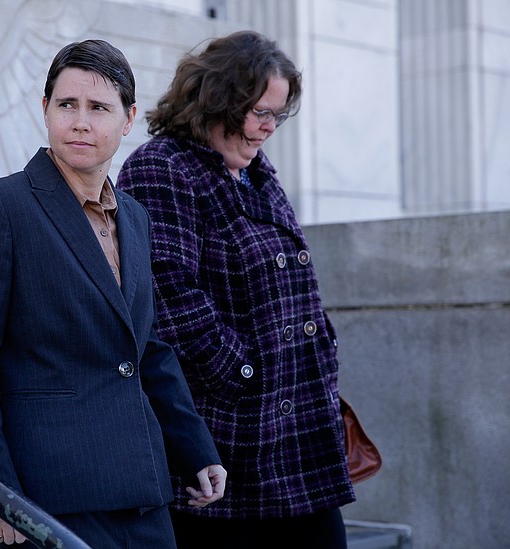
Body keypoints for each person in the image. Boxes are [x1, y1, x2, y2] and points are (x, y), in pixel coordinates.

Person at [0, 39, 226, 548]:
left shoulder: (134, 216)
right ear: (45, 109)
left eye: (99, 108)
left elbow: (145, 346)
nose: (81, 122)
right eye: (67, 105)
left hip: (142, 488)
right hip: (49, 497)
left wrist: (195, 449)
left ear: (128, 118)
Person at [116, 30, 356, 548]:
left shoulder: (256, 172)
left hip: (297, 427)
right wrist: (244, 370)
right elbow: (167, 295)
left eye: (278, 115)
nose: (269, 127)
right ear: (217, 101)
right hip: (228, 435)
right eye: (260, 112)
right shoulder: (162, 168)